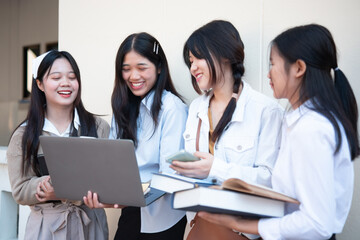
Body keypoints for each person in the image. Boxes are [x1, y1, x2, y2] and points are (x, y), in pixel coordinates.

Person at [196, 24, 359, 240]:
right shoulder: (300, 122)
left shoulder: (312, 128)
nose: (268, 73)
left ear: (299, 68)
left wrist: (244, 224)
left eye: (273, 63)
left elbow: (317, 224)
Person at [169, 20, 284, 239]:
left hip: (241, 232)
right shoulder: (195, 108)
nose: (192, 68)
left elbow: (270, 181)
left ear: (225, 55)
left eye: (198, 58)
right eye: (190, 61)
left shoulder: (266, 111)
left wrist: (215, 168)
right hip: (197, 228)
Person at [84, 32, 188, 240]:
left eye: (142, 68)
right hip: (131, 210)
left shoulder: (172, 108)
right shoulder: (123, 107)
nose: (133, 76)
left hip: (163, 218)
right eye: (126, 69)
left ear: (159, 68)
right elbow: (113, 164)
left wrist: (127, 196)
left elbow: (170, 175)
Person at [7, 50, 110, 240]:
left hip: (90, 226)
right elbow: (20, 191)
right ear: (40, 84)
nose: (65, 83)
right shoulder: (24, 135)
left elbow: (107, 184)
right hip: (46, 228)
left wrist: (63, 188)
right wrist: (46, 186)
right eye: (56, 77)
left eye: (72, 77)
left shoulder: (99, 128)